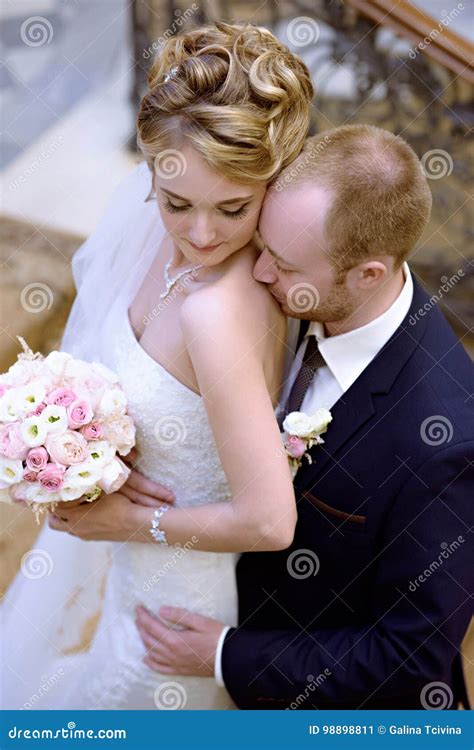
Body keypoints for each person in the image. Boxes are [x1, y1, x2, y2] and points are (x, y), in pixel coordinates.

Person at [0, 22, 313, 710]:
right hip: (135, 569)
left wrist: (122, 522)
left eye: (234, 208)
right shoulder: (149, 235)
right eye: (177, 202)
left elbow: (271, 523)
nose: (202, 234)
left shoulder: (218, 315)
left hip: (181, 601)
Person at [134, 125, 474, 709]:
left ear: (369, 273)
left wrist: (223, 656)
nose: (259, 273)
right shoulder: (294, 290)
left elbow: (410, 655)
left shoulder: (445, 441)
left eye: (284, 265)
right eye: (263, 245)